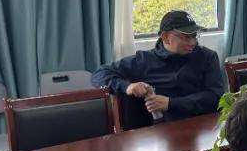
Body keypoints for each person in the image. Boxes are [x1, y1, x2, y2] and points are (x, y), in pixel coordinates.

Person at [91, 10, 223, 122]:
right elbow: (99, 74)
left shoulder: (207, 57)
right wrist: (128, 86)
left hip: (203, 126)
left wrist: (171, 103)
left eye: (194, 36)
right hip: (160, 133)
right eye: (186, 37)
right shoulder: (144, 61)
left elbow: (216, 97)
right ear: (165, 37)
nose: (193, 42)